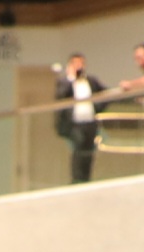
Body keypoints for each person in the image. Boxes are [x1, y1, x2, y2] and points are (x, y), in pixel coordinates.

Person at [53, 54, 103, 184]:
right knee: (78, 149)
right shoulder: (65, 82)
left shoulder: (91, 80)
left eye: (81, 63)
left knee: (89, 150)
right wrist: (71, 78)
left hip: (90, 121)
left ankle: (86, 178)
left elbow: (103, 93)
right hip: (75, 123)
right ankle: (76, 179)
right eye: (76, 64)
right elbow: (60, 95)